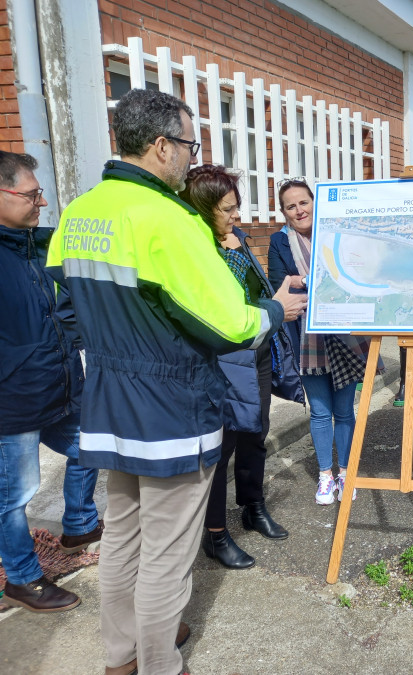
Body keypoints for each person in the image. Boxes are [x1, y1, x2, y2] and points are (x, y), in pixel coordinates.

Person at [45, 89, 305, 675]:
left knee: (121, 538)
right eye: (188, 144)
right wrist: (274, 311)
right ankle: (161, 664)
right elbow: (228, 324)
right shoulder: (171, 219)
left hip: (109, 401)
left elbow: (64, 309)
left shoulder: (80, 211)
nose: (191, 156)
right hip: (171, 409)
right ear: (161, 146)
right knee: (166, 555)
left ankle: (120, 657)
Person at [180, 165, 300, 570]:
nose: (236, 216)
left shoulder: (238, 240)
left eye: (237, 207)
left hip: (257, 350)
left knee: (255, 433)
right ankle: (214, 534)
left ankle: (253, 505)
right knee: (222, 445)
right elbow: (219, 309)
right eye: (228, 209)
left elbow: (256, 292)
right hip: (224, 358)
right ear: (201, 209)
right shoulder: (197, 250)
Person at [0, 151, 102, 612]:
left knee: (92, 446)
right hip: (12, 400)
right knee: (13, 496)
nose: (41, 201)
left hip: (59, 386)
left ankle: (79, 522)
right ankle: (22, 579)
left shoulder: (34, 245)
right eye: (31, 194)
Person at [268, 178, 380, 505]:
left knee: (344, 411)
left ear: (314, 203)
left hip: (345, 334)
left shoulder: (336, 236)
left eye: (304, 202)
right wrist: (309, 278)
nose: (299, 210)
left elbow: (359, 273)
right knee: (319, 411)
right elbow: (279, 284)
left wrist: (309, 279)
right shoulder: (279, 242)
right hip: (306, 338)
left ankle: (346, 472)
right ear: (284, 212)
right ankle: (325, 476)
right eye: (291, 206)